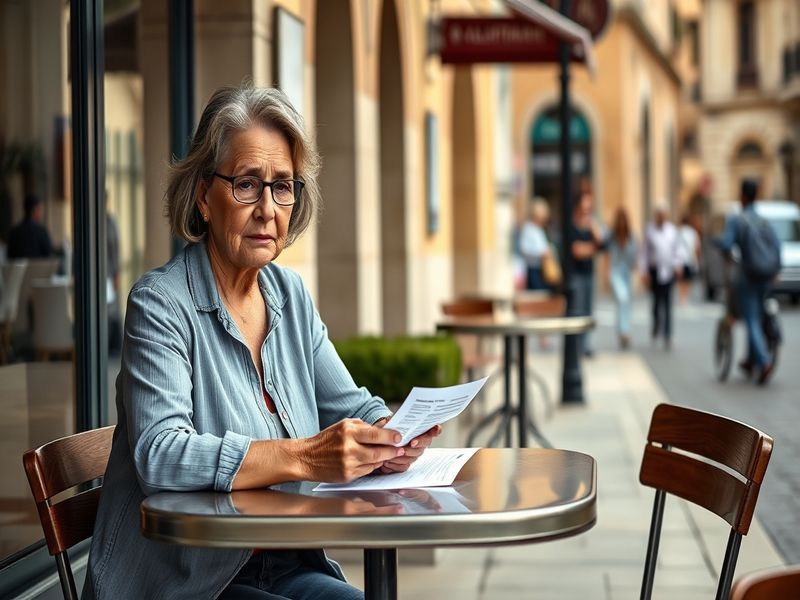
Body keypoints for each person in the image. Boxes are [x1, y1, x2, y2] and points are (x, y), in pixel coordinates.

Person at [83, 85, 441, 600]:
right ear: (204, 196)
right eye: (247, 185)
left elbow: (353, 405)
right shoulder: (159, 304)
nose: (268, 209)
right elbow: (160, 454)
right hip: (190, 581)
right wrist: (307, 456)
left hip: (288, 561)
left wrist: (391, 435)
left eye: (282, 186)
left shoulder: (288, 295)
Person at [716, 179, 781, 384]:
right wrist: (775, 270)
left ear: (742, 195)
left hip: (748, 275)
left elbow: (727, 243)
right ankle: (751, 360)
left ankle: (763, 362)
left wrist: (725, 250)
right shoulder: (764, 221)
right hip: (766, 276)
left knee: (751, 318)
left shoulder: (737, 219)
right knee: (759, 315)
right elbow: (776, 247)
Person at [640, 201, 682, 350]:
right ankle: (657, 323)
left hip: (668, 271)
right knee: (657, 302)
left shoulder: (672, 231)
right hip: (655, 271)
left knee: (668, 303)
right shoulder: (650, 231)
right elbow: (644, 253)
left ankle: (668, 334)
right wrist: (643, 271)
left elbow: (676, 251)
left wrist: (678, 265)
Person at [570, 190, 604, 357]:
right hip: (576, 274)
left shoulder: (590, 226)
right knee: (577, 310)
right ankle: (576, 346)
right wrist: (591, 249)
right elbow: (576, 251)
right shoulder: (572, 226)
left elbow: (601, 245)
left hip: (589, 273)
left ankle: (585, 346)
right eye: (585, 204)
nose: (588, 209)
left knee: (588, 311)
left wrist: (594, 229)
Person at [608, 207, 636, 349]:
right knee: (622, 298)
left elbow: (633, 257)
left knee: (624, 303)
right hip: (615, 272)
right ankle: (624, 331)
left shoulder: (630, 236)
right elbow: (603, 246)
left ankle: (622, 330)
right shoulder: (612, 236)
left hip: (626, 273)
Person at [518, 198, 552, 291]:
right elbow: (524, 249)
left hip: (542, 267)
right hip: (532, 268)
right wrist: (540, 253)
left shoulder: (539, 229)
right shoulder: (528, 228)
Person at [7, 194, 52, 259]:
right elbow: (48, 255)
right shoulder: (41, 231)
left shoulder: (14, 232)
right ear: (35, 210)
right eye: (39, 209)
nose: (40, 213)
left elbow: (10, 256)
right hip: (39, 268)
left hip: (20, 269)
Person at [677, 214, 700, 304]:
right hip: (689, 258)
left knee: (681, 279)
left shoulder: (679, 231)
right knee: (687, 279)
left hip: (680, 258)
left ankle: (681, 296)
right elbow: (697, 246)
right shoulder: (693, 232)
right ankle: (685, 296)